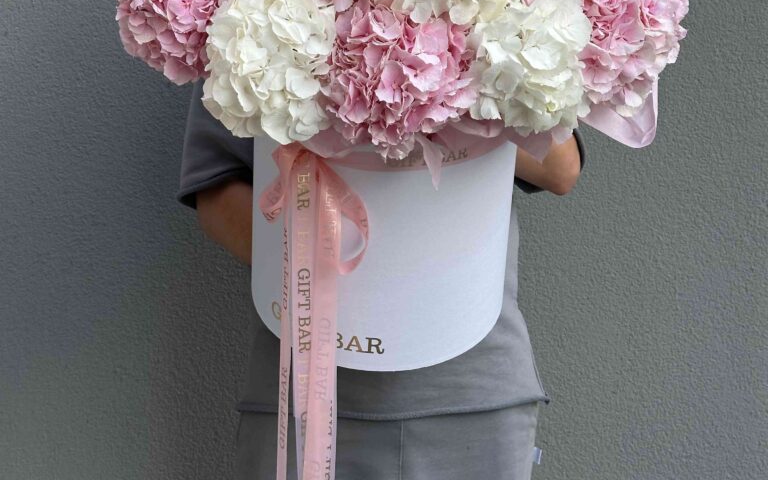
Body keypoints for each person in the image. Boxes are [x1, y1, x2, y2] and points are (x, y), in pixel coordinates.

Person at [177, 78, 585, 480]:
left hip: (471, 387)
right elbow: (215, 186)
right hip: (307, 397)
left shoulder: (508, 12)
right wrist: (322, 272)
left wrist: (443, 84)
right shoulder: (249, 16)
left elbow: (560, 168)